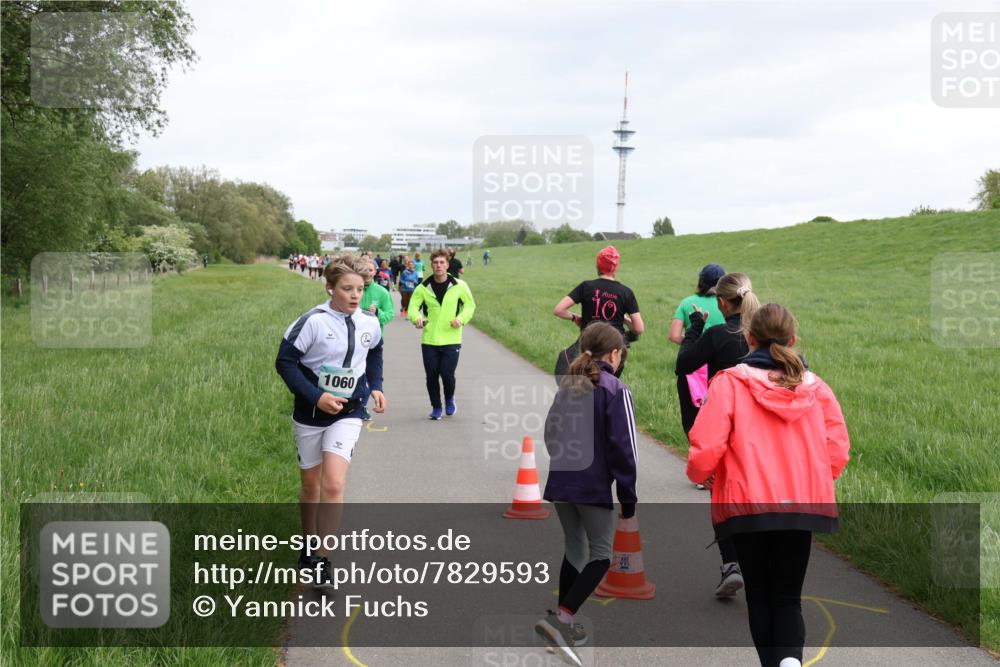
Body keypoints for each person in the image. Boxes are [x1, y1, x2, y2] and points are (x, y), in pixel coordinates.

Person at [687, 303, 850, 667]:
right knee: (788, 597)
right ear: (793, 340)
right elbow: (837, 448)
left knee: (759, 596)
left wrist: (700, 474)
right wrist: (815, 480)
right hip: (802, 505)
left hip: (747, 506)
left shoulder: (730, 382)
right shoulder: (817, 388)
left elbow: (707, 445)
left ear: (749, 338)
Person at [274, 254, 387, 589]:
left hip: (349, 412)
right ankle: (308, 546)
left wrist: (377, 386)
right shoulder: (313, 322)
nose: (355, 295)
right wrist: (316, 396)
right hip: (310, 413)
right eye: (347, 289)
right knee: (311, 485)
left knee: (334, 483)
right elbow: (285, 363)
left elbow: (377, 351)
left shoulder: (369, 322)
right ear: (330, 288)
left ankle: (323, 560)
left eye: (360, 289)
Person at [534, 322, 638, 667]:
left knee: (575, 549)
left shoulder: (568, 385)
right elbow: (625, 450)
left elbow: (550, 433)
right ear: (614, 353)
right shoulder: (614, 389)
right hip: (592, 484)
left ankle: (564, 624)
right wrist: (628, 495)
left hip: (562, 480)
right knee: (601, 555)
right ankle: (560, 621)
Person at [675, 271, 760, 598]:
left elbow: (683, 365)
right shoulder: (762, 335)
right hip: (762, 427)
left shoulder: (718, 335)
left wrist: (695, 328)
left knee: (722, 494)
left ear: (722, 302)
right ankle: (756, 560)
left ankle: (731, 564)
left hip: (727, 425)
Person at [552, 246, 643, 378]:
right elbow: (639, 329)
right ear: (615, 268)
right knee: (609, 387)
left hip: (589, 346)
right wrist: (623, 319)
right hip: (615, 351)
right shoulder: (626, 292)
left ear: (598, 265)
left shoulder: (586, 286)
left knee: (584, 385)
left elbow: (559, 310)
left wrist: (575, 318)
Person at [408, 249, 476, 419]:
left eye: (442, 263)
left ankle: (450, 399)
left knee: (447, 374)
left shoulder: (460, 286)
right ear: (431, 265)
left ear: (447, 264)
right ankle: (436, 407)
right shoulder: (423, 288)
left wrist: (460, 319)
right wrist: (417, 319)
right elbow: (412, 308)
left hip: (452, 338)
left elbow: (470, 306)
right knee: (431, 376)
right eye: (435, 263)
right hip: (429, 339)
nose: (438, 266)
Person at [670, 263, 727, 439]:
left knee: (693, 421)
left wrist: (692, 344)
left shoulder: (687, 303)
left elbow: (674, 336)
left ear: (700, 281)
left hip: (692, 369)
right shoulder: (726, 304)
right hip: (718, 368)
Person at [360, 259, 394, 421]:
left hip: (373, 340)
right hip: (353, 338)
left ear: (375, 272)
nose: (367, 273)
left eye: (371, 270)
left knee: (369, 373)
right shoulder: (354, 289)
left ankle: (363, 406)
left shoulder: (382, 292)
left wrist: (378, 312)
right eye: (364, 270)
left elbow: (390, 314)